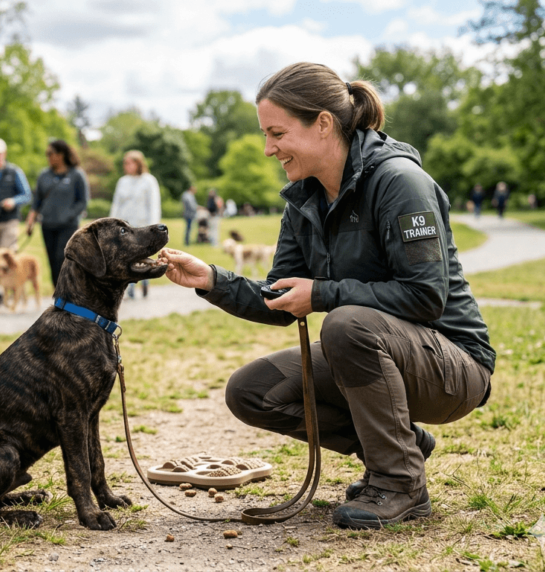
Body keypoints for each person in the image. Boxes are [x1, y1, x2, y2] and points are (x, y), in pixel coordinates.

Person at [159, 62, 494, 530]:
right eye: (265, 134)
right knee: (251, 392)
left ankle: (399, 484)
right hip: (375, 350)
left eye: (277, 133)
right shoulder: (304, 199)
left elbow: (425, 297)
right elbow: (281, 298)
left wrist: (322, 294)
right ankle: (403, 448)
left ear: (322, 123)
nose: (268, 148)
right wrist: (211, 279)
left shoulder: (399, 181)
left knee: (345, 323)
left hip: (454, 368)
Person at [25, 139, 89, 289]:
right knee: (52, 260)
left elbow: (83, 201)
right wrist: (30, 221)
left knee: (63, 258)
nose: (48, 157)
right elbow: (37, 201)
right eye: (47, 154)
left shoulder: (76, 175)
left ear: (61, 155)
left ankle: (70, 292)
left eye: (50, 153)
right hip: (47, 225)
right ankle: (59, 294)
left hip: (68, 226)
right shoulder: (44, 175)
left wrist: (69, 215)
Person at [110, 149, 161, 299]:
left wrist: (153, 228)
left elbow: (153, 204)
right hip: (126, 226)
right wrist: (111, 224)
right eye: (125, 163)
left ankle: (145, 282)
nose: (126, 166)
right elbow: (116, 204)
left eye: (129, 163)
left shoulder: (148, 180)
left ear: (138, 163)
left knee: (141, 257)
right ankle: (130, 287)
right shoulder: (122, 181)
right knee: (126, 257)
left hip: (142, 226)